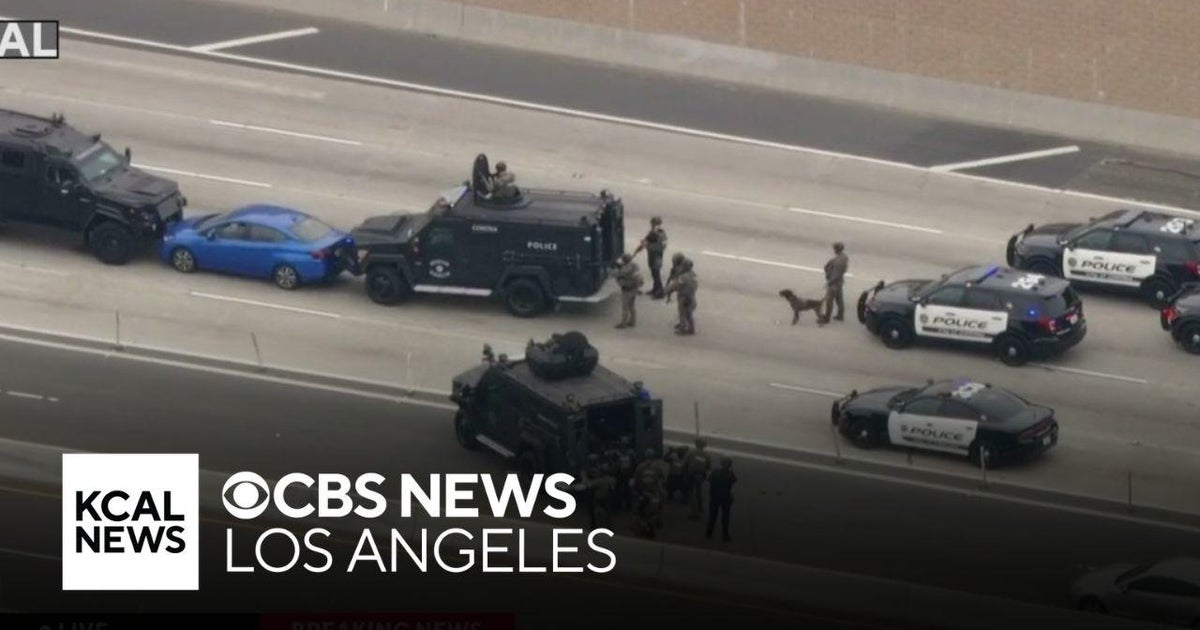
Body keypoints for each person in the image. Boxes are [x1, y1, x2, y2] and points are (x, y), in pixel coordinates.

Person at [633, 217, 668, 298]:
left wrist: (637, 251)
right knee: (654, 272)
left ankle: (659, 291)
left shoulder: (655, 232)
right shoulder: (661, 232)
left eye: (652, 223)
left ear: (654, 223)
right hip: (657, 253)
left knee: (655, 272)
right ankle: (655, 289)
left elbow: (645, 243)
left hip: (655, 254)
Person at [706, 457, 737, 542]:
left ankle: (709, 533)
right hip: (726, 496)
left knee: (712, 516)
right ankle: (725, 535)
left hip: (715, 495)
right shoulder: (731, 474)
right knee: (725, 517)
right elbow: (734, 481)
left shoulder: (715, 472)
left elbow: (709, 480)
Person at [665, 256, 698, 335]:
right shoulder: (694, 275)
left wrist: (667, 290)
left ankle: (682, 328)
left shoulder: (683, 277)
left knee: (682, 313)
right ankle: (691, 328)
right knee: (689, 313)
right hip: (692, 297)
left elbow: (675, 286)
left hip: (684, 297)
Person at [818, 242, 849, 324]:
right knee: (839, 299)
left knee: (829, 301)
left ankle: (826, 318)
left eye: (834, 249)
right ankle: (840, 315)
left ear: (836, 249)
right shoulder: (844, 257)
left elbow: (836, 274)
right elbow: (844, 270)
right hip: (840, 282)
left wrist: (829, 282)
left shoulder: (837, 261)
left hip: (834, 283)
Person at [682, 438, 711, 519]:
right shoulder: (707, 454)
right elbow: (709, 467)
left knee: (692, 493)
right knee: (699, 491)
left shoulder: (690, 452)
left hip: (691, 474)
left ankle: (694, 512)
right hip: (701, 475)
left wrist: (685, 475)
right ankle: (700, 508)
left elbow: (684, 464)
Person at [613, 253, 643, 329]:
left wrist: (616, 268)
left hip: (627, 290)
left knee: (625, 307)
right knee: (632, 306)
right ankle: (633, 321)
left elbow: (617, 274)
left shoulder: (625, 269)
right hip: (634, 289)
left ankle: (623, 323)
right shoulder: (634, 266)